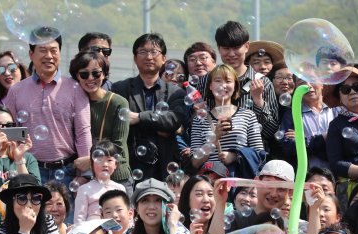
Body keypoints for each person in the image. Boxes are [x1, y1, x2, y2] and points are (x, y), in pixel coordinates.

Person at [4, 26, 92, 190]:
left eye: (54, 50)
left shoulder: (75, 88)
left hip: (67, 171)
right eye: (42, 50)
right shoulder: (16, 91)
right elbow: (10, 131)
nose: (49, 56)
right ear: (31, 54)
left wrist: (85, 174)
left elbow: (83, 131)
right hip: (29, 169)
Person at [111, 33, 187, 182]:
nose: (149, 57)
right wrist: (159, 124)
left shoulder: (175, 92)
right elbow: (118, 121)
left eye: (154, 52)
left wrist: (139, 118)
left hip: (165, 167)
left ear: (164, 58)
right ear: (135, 58)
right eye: (143, 52)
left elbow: (174, 120)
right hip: (130, 165)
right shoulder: (120, 88)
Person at [199, 21, 280, 142]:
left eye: (236, 48)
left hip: (249, 155)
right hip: (215, 152)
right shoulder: (207, 79)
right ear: (219, 49)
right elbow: (197, 125)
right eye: (226, 48)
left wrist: (259, 102)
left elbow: (272, 131)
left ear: (247, 46)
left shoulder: (263, 82)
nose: (231, 54)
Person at [69, 51, 132, 193]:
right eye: (84, 74)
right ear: (76, 76)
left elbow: (118, 145)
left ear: (104, 74)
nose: (90, 78)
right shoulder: (73, 102)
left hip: (116, 176)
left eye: (96, 73)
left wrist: (90, 160)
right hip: (86, 178)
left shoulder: (118, 102)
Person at [190, 64, 265, 177]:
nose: (223, 85)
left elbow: (260, 155)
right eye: (218, 81)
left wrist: (235, 156)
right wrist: (215, 138)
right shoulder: (200, 119)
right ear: (210, 86)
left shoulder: (248, 115)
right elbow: (195, 163)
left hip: (239, 180)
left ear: (235, 86)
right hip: (210, 181)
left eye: (228, 81)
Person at [323, 67, 358, 209]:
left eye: (357, 87)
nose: (353, 92)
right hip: (349, 190)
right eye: (346, 89)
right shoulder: (336, 125)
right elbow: (336, 163)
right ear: (340, 98)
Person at [277, 77, 338, 170]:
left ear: (322, 84)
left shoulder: (336, 111)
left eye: (312, 81)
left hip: (339, 175)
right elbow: (288, 146)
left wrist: (303, 139)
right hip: (306, 176)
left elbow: (342, 143)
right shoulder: (292, 114)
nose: (308, 86)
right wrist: (324, 138)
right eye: (302, 83)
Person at [74, 140, 126, 224]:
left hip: (115, 231)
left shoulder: (120, 188)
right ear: (91, 165)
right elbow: (79, 219)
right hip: (92, 232)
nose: (105, 164)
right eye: (100, 160)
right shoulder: (84, 189)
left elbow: (125, 215)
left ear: (116, 164)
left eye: (109, 160)